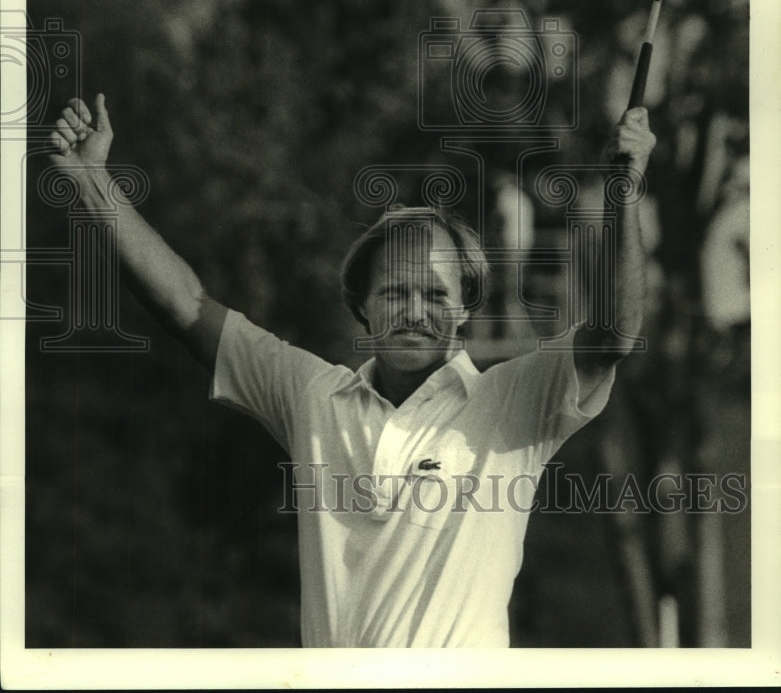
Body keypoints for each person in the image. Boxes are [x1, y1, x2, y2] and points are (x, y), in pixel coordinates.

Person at [48, 93, 656, 648]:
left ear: (467, 306)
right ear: (360, 304)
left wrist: (624, 189)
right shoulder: (313, 395)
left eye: (436, 295)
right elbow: (187, 306)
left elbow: (615, 335)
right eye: (394, 292)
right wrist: (94, 183)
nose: (415, 312)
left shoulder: (515, 400)